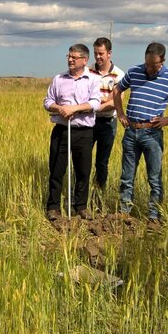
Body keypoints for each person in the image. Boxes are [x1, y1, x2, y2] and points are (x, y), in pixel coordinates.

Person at [113, 42, 168, 226]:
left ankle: (153, 217)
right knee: (127, 177)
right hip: (131, 131)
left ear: (163, 61)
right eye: (148, 64)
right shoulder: (134, 71)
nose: (150, 69)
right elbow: (117, 89)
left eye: (154, 65)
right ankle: (124, 214)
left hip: (152, 134)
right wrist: (120, 113)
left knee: (154, 179)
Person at [44, 44, 102, 221]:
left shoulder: (92, 80)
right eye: (68, 56)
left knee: (83, 171)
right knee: (56, 169)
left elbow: (95, 103)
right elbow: (47, 101)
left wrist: (74, 109)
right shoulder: (59, 79)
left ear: (84, 60)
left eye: (74, 57)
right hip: (62, 130)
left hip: (84, 132)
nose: (70, 60)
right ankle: (53, 207)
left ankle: (81, 206)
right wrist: (60, 108)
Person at [88, 37, 125, 197]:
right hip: (88, 121)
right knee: (83, 159)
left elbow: (117, 102)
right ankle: (81, 192)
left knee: (102, 162)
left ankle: (98, 193)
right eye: (95, 53)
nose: (97, 57)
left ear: (109, 53)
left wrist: (96, 103)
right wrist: (105, 99)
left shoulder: (119, 74)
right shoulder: (87, 72)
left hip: (108, 123)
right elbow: (83, 97)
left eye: (101, 53)